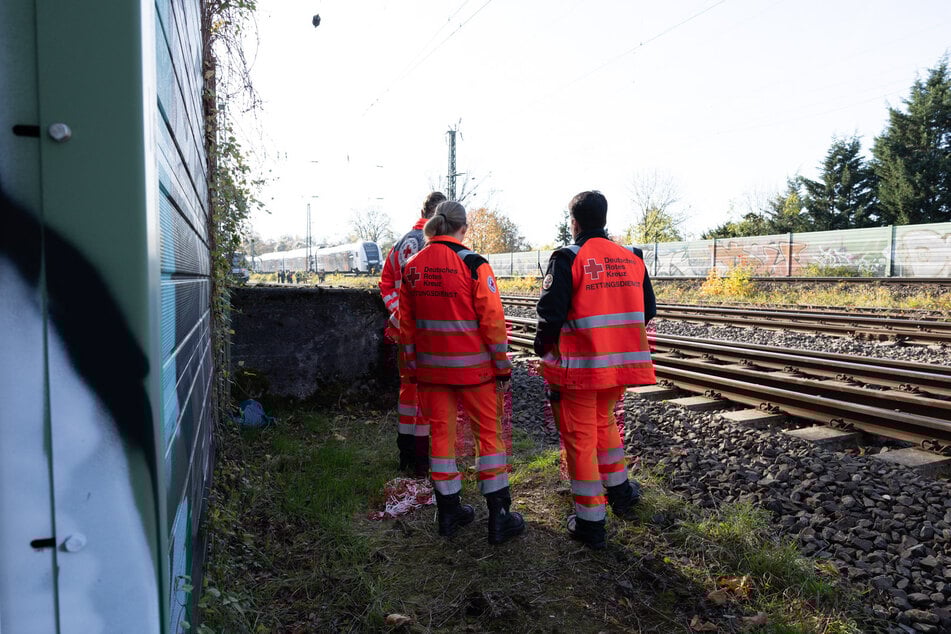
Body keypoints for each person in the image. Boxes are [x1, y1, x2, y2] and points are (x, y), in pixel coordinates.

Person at [534, 190, 657, 550]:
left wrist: (542, 349)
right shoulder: (631, 256)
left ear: (574, 223)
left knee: (580, 440)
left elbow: (550, 316)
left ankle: (590, 522)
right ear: (603, 219)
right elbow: (648, 309)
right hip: (617, 366)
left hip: (581, 369)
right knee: (605, 425)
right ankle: (620, 493)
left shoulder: (568, 257)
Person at [399, 200, 526, 544]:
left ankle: (448, 513)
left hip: (431, 373)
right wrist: (502, 367)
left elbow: (406, 328)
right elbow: (493, 322)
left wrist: (412, 369)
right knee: (489, 437)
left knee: (441, 438)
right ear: (463, 229)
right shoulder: (474, 264)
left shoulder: (411, 266)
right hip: (476, 374)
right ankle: (499, 518)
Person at [379, 191, 446, 475]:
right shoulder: (434, 245)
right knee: (428, 392)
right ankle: (422, 458)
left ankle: (405, 453)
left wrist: (398, 315)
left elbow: (385, 283)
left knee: (407, 392)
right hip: (427, 331)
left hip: (402, 331)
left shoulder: (400, 243)